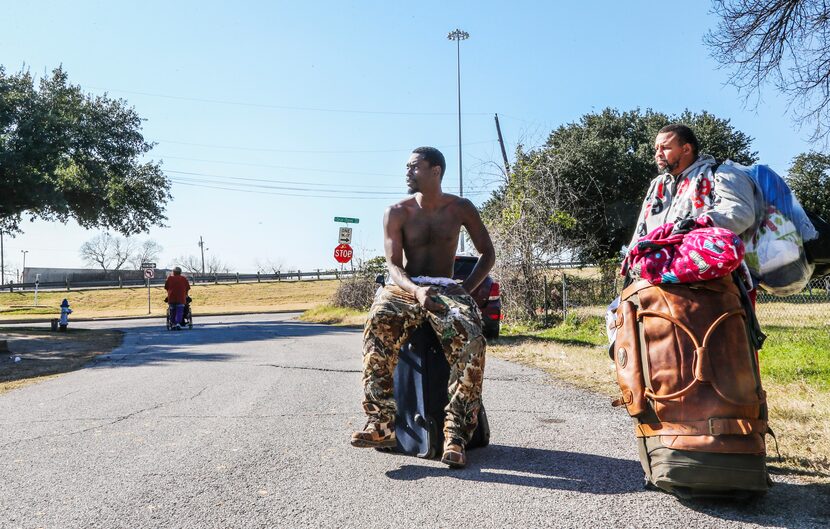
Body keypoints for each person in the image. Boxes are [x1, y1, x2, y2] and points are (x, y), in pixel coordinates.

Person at [350, 146, 495, 468]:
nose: (407, 172)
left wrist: (466, 289)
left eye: (414, 166)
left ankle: (456, 435)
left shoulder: (460, 208)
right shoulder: (397, 211)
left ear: (435, 171)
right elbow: (393, 266)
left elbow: (487, 253)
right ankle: (382, 424)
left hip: (446, 288)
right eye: (407, 167)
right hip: (406, 286)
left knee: (472, 341)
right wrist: (415, 291)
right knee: (378, 324)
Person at [631, 123, 764, 247]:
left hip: (706, 266)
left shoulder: (720, 174)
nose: (658, 154)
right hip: (658, 268)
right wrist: (632, 258)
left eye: (665, 148)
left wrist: (693, 228)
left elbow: (739, 213)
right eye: (656, 149)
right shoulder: (657, 185)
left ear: (686, 149)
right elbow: (641, 229)